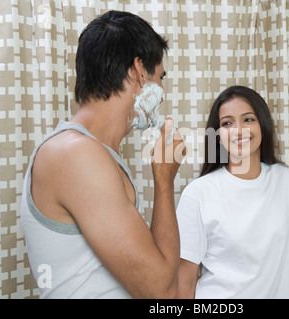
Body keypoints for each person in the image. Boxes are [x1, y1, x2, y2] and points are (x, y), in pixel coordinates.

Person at [20, 11, 186, 299]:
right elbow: (162, 292)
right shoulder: (76, 155)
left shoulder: (90, 151)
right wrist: (164, 179)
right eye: (159, 78)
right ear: (138, 71)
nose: (161, 91)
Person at [176, 86, 289, 299]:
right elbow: (185, 278)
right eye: (227, 123)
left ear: (263, 125)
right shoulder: (199, 193)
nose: (239, 130)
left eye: (248, 119)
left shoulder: (285, 180)